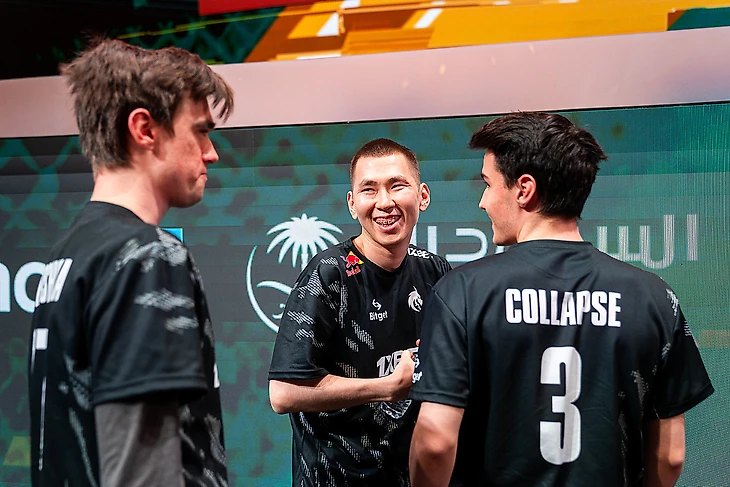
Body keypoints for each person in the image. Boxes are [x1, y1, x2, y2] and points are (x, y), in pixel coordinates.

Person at [408, 112, 714, 487]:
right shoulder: (655, 298)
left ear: (524, 189)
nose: (483, 202)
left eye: (488, 184)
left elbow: (435, 443)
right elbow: (670, 456)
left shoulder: (461, 291)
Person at [27, 39, 234, 487]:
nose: (211, 152)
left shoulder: (69, 251)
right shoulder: (147, 256)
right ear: (145, 129)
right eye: (200, 131)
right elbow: (142, 473)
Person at [268, 138, 452, 486]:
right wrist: (386, 387)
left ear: (423, 196)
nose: (385, 202)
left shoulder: (435, 270)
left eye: (397, 186)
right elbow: (283, 393)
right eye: (370, 190)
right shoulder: (329, 274)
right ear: (353, 204)